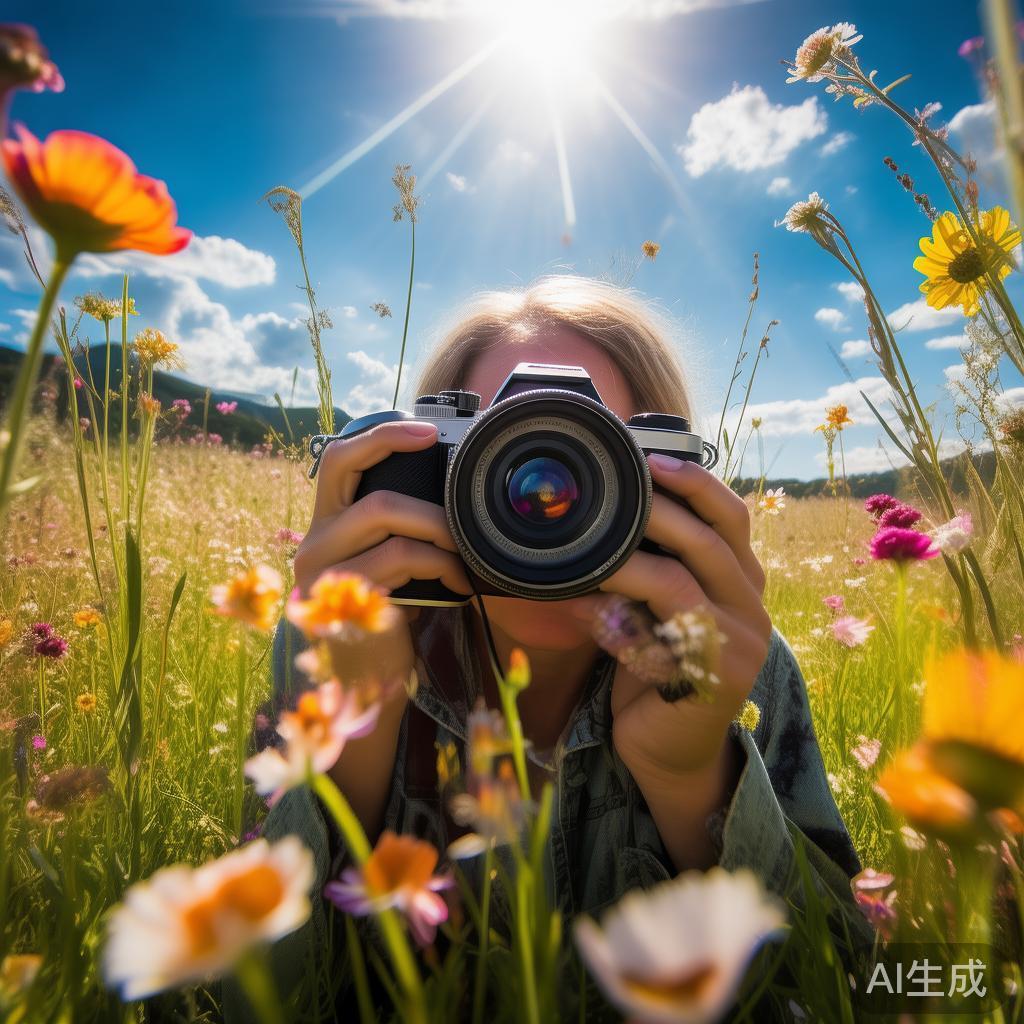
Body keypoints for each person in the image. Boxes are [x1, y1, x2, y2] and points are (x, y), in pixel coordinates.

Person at [224, 275, 873, 1022]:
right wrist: (356, 717)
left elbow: (846, 993)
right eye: (501, 451)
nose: (545, 504)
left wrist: (689, 773)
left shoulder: (726, 657)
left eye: (596, 458)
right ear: (430, 469)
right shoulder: (343, 635)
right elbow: (258, 1000)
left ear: (671, 486)